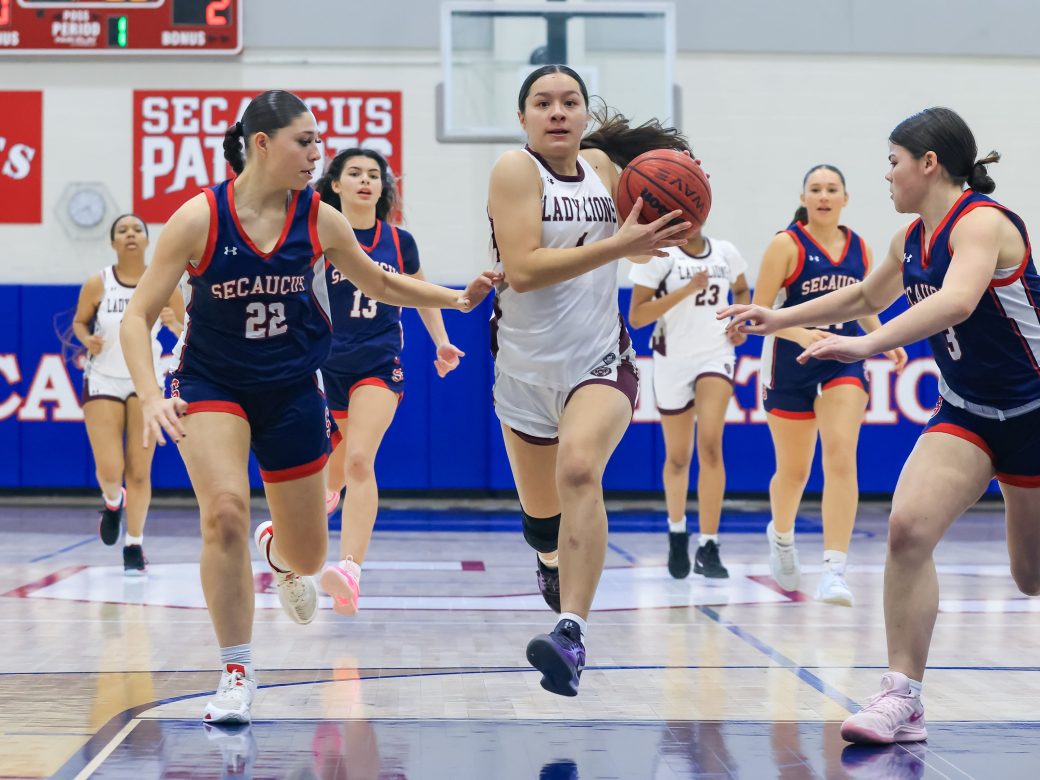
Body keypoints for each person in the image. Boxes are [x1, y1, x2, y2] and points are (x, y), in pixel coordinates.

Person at [720, 107, 1040, 744]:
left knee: (1032, 575)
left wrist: (865, 345)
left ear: (929, 164)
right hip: (966, 411)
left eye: (893, 162)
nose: (886, 175)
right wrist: (777, 318)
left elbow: (958, 300)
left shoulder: (983, 222)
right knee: (907, 531)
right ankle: (904, 695)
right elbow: (866, 297)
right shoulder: (908, 238)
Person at [120, 89, 497, 724]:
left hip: (293, 385)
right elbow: (137, 317)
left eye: (319, 141)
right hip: (212, 382)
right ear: (262, 144)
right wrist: (151, 394)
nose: (317, 152)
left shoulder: (319, 218)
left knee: (309, 558)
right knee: (224, 515)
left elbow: (380, 281)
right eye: (305, 141)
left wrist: (456, 299)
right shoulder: (200, 217)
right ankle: (236, 670)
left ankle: (279, 553)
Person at [487, 64, 692, 697]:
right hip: (523, 371)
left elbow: (639, 232)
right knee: (541, 522)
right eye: (543, 102)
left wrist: (664, 227)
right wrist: (619, 246)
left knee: (578, 469)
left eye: (570, 101)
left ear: (583, 114)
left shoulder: (604, 168)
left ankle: (571, 634)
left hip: (600, 360)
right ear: (523, 117)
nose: (557, 111)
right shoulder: (515, 170)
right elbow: (524, 270)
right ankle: (550, 558)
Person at [313, 148, 466, 615]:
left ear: (383, 187)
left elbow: (419, 292)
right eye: (354, 173)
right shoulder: (318, 235)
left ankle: (350, 571)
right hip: (322, 367)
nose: (365, 180)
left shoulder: (399, 242)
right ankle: (309, 516)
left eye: (373, 174)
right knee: (328, 473)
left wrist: (442, 341)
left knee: (361, 459)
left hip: (378, 366)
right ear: (335, 184)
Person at [754, 165, 907, 605]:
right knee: (794, 472)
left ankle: (834, 570)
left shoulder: (859, 246)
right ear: (804, 198)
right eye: (816, 189)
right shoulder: (785, 245)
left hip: (842, 361)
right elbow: (759, 314)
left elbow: (864, 303)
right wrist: (803, 335)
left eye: (831, 189)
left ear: (845, 198)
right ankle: (782, 536)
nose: (823, 196)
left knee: (840, 455)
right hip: (789, 365)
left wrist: (883, 338)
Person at [627, 226, 749, 579]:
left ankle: (709, 545)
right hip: (672, 359)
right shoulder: (659, 257)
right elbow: (637, 316)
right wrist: (686, 290)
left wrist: (739, 323)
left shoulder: (726, 251)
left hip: (716, 355)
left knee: (710, 444)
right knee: (678, 457)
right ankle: (677, 531)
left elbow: (742, 289)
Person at [72, 214, 184, 574]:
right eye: (123, 230)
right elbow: (79, 322)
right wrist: (87, 338)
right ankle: (111, 500)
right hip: (103, 378)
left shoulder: (163, 282)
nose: (131, 234)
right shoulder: (98, 282)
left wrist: (175, 324)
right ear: (113, 242)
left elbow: (188, 332)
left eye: (137, 229)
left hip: (144, 382)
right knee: (110, 470)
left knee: (139, 471)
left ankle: (134, 544)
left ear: (148, 240)